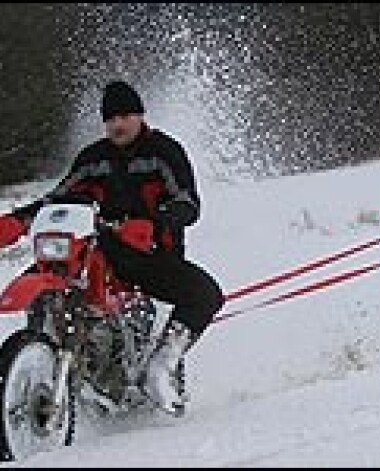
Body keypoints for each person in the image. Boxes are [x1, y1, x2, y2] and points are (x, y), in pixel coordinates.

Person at [0, 80, 225, 414]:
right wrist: (19, 221)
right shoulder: (94, 158)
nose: (117, 125)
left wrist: (155, 222)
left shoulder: (164, 153)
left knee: (206, 294)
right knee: (45, 278)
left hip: (149, 253)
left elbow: (188, 203)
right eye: (110, 119)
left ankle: (161, 366)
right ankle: (41, 363)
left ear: (139, 116)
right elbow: (61, 196)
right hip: (102, 251)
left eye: (124, 116)